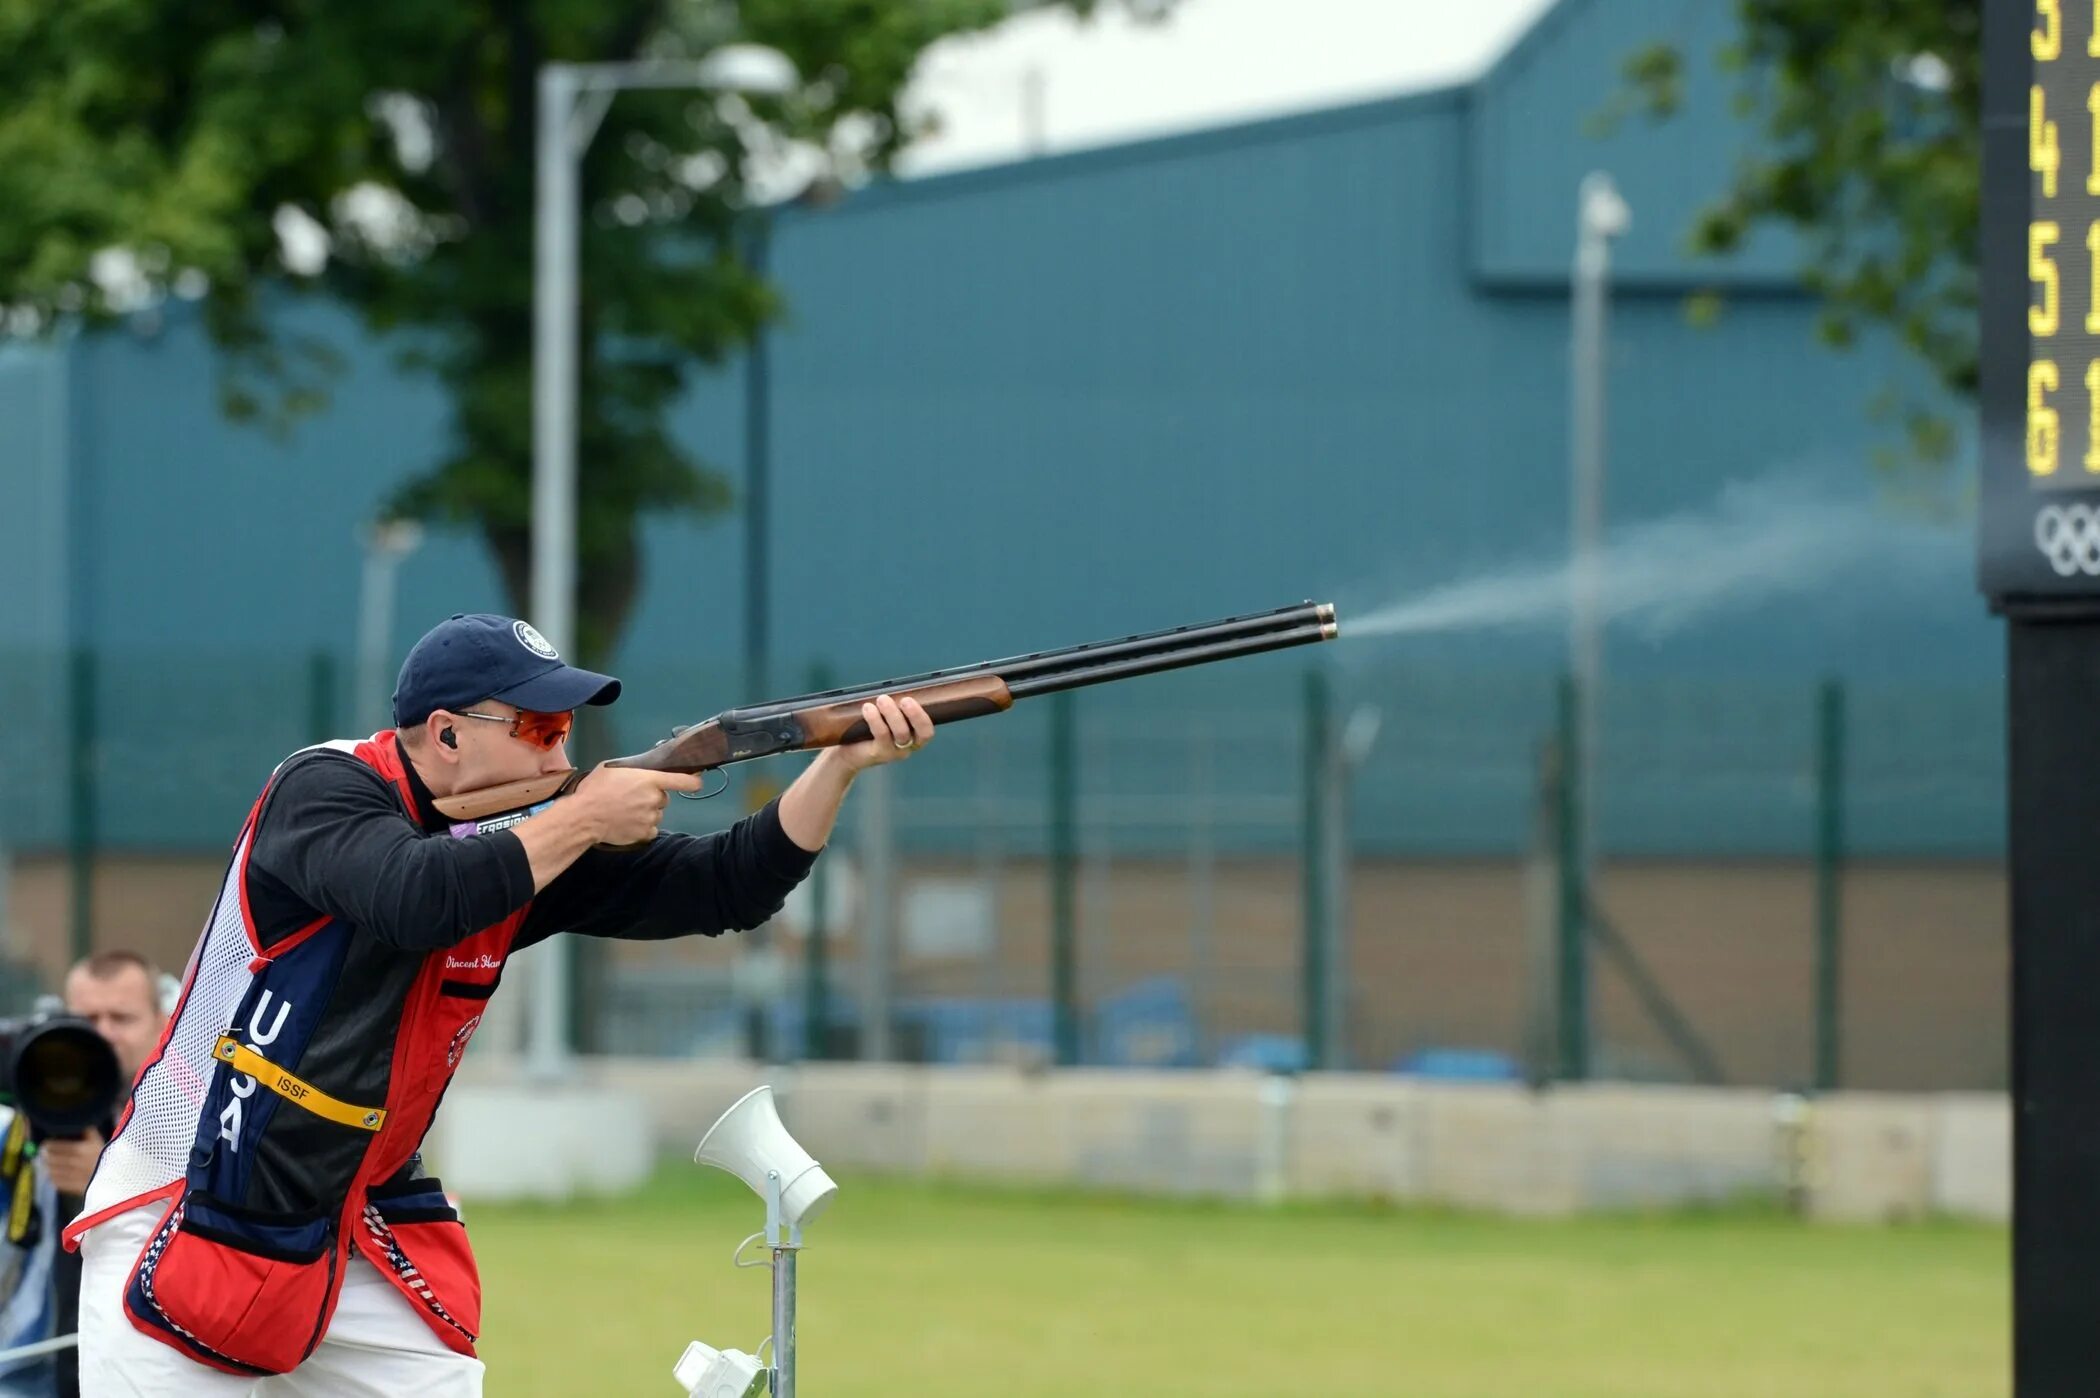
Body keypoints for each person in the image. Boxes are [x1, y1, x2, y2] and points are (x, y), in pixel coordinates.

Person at [61, 613, 933, 1395]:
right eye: (538, 727)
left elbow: (725, 890)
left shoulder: (527, 837)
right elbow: (414, 894)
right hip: (189, 1200)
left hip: (349, 1214)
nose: (562, 755)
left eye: (566, 728)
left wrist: (840, 764)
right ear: (444, 735)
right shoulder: (322, 791)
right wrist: (582, 819)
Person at [41, 955, 168, 1398]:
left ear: (161, 1022)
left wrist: (107, 1181)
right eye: (87, 1019)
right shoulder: (34, 1089)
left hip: (143, 1351)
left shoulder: (187, 1109)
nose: (103, 1034)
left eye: (121, 1018)